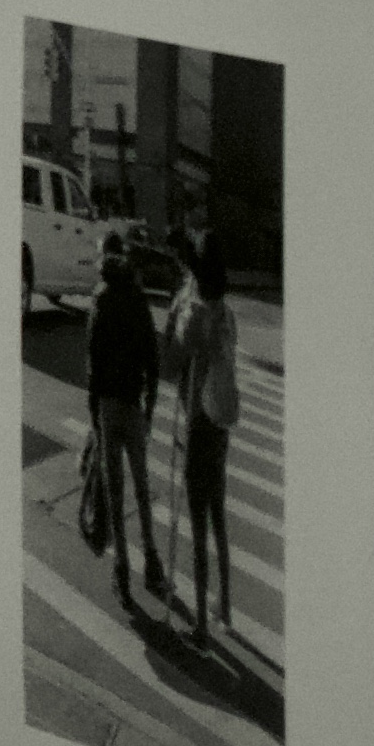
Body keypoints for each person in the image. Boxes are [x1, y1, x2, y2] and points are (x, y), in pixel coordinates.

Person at [85, 230, 168, 609]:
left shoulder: (99, 300)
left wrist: (94, 416)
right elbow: (152, 358)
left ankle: (122, 568)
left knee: (116, 492)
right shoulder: (138, 300)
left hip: (107, 406)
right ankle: (152, 561)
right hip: (133, 406)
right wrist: (149, 408)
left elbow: (93, 364)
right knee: (142, 486)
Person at [164, 231, 241, 635]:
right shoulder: (227, 314)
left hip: (197, 425)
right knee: (218, 517)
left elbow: (170, 362)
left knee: (196, 523)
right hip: (221, 427)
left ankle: (199, 624)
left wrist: (177, 310)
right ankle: (224, 606)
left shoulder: (192, 317)